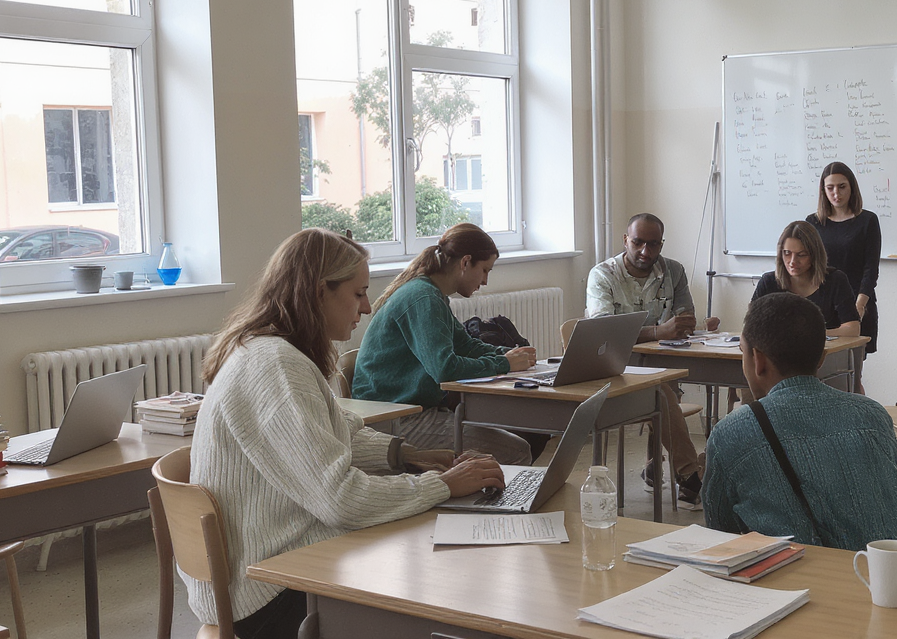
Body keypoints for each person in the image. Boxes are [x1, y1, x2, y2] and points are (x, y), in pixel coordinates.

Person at [189, 228, 506, 639]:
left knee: (420, 533)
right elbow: (341, 500)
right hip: (267, 589)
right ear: (320, 292)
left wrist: (407, 455)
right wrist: (441, 486)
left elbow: (339, 435)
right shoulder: (276, 366)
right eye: (358, 294)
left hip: (266, 565)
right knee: (432, 570)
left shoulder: (273, 350)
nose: (368, 305)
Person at [702, 292, 897, 552]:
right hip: (885, 584)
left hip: (792, 585)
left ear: (757, 360)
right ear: (821, 358)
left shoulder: (731, 432)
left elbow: (719, 535)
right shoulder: (872, 414)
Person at [353, 223, 534, 466]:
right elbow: (444, 369)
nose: (485, 281)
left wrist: (512, 355)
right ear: (465, 262)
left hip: (409, 411)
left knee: (516, 436)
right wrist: (504, 363)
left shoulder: (432, 294)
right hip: (393, 418)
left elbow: (466, 346)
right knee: (517, 450)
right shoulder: (423, 297)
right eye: (484, 270)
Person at [585, 213, 716, 510]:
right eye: (638, 243)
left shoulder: (673, 271)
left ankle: (656, 467)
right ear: (625, 240)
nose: (646, 252)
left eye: (654, 244)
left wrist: (680, 329)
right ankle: (690, 474)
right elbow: (604, 332)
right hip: (613, 370)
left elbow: (684, 320)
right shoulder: (602, 275)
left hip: (659, 365)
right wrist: (658, 331)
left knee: (664, 386)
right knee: (660, 392)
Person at [805, 161, 881, 352]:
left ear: (852, 187)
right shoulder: (812, 222)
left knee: (854, 374)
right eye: (830, 188)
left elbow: (870, 269)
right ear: (823, 190)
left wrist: (859, 307)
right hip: (822, 306)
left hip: (857, 304)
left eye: (842, 187)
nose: (836, 194)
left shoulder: (867, 221)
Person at [751, 220, 860, 337]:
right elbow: (750, 327)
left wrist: (809, 336)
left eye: (801, 255)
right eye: (787, 253)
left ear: (814, 256)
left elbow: (853, 329)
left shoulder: (835, 280)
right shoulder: (768, 282)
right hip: (776, 353)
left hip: (824, 352)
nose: (793, 262)